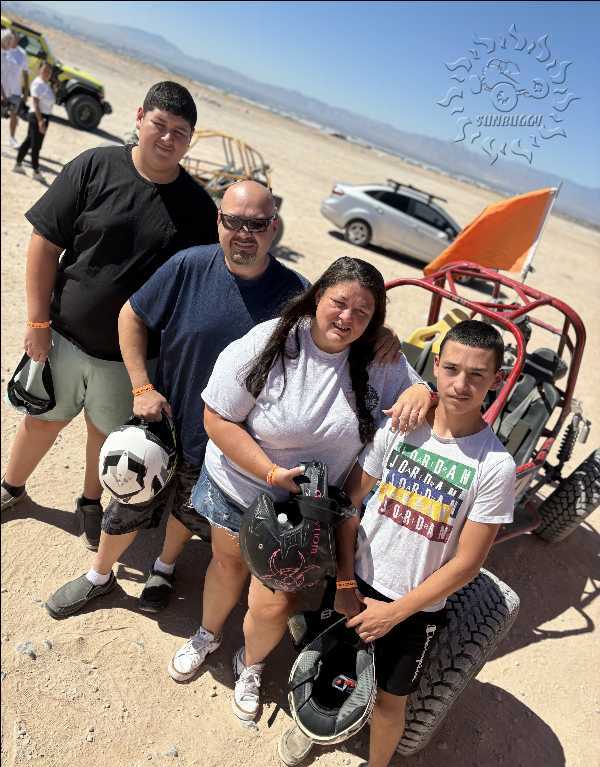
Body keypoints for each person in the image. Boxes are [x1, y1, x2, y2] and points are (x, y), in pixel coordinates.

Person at [44, 181, 417, 619]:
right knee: (129, 503)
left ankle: (164, 568)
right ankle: (99, 575)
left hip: (226, 439)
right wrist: (142, 387)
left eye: (256, 224)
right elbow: (132, 315)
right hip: (165, 420)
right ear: (218, 221)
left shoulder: (293, 292)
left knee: (188, 511)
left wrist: (381, 334)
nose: (244, 233)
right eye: (233, 221)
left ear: (273, 227)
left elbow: (340, 315)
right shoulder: (189, 265)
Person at [167, 256, 434, 726]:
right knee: (227, 565)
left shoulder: (380, 359)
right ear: (316, 297)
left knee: (276, 600)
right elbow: (217, 417)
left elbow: (424, 401)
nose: (347, 318)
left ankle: (250, 664)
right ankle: (207, 634)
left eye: (363, 312)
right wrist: (270, 472)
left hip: (306, 510)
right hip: (239, 486)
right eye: (339, 303)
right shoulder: (271, 341)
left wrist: (423, 392)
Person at [278, 320, 516, 767]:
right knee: (328, 659)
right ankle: (314, 723)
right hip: (356, 580)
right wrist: (346, 583)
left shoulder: (494, 466)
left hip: (414, 608)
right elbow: (350, 504)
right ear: (436, 367)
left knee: (390, 703)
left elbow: (467, 563)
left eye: (477, 375)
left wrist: (395, 613)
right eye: (451, 369)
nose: (461, 384)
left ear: (495, 380)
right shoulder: (401, 427)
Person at [1, 82, 218, 553]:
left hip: (130, 358)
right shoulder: (94, 166)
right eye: (159, 125)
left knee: (106, 435)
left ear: (190, 140)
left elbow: (204, 283)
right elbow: (45, 244)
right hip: (63, 336)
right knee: (41, 420)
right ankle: (11, 487)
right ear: (139, 118)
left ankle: (89, 502)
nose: (167, 138)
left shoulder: (199, 210)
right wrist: (37, 323)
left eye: (180, 132)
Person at [13, 60, 54, 183]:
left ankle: (18, 164)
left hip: (44, 117)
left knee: (28, 142)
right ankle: (36, 171)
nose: (47, 73)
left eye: (49, 71)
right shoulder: (37, 83)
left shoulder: (46, 84)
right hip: (37, 117)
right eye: (45, 70)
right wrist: (40, 121)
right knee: (36, 145)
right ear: (39, 70)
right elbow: (35, 104)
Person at [1, 28, 29, 148]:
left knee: (14, 115)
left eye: (15, 38)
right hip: (3, 91)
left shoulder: (22, 54)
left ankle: (12, 138)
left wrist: (26, 92)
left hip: (15, 91)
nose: (13, 40)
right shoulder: (3, 52)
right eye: (11, 38)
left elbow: (26, 73)